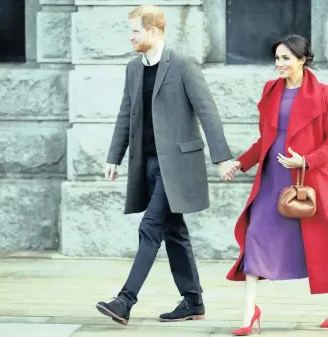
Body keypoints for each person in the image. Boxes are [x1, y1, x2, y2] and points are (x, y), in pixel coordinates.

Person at [96, 4, 237, 326]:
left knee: (150, 227)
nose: (130, 37)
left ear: (153, 30)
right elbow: (125, 115)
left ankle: (125, 300)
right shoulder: (133, 69)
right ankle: (193, 301)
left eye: (135, 31)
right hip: (145, 164)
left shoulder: (183, 65)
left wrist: (222, 157)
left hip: (177, 165)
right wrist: (113, 157)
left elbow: (208, 111)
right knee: (173, 232)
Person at [223, 35, 328, 336]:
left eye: (286, 58)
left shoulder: (324, 93)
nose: (279, 64)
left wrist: (306, 160)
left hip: (313, 181)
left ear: (302, 59)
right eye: (276, 58)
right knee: (255, 238)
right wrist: (241, 162)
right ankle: (249, 314)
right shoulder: (270, 90)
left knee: (327, 244)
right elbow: (265, 139)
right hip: (272, 180)